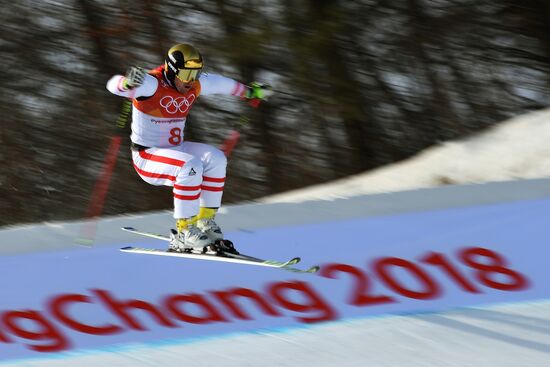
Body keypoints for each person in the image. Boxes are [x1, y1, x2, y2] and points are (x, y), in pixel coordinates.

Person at [106, 43, 271, 254]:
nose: (190, 80)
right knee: (190, 166)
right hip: (147, 156)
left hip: (177, 149)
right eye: (185, 73)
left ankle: (205, 223)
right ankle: (184, 232)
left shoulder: (194, 84)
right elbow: (112, 85)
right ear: (171, 70)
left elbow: (222, 84)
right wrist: (126, 83)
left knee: (216, 158)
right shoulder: (152, 84)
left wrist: (250, 92)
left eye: (195, 73)